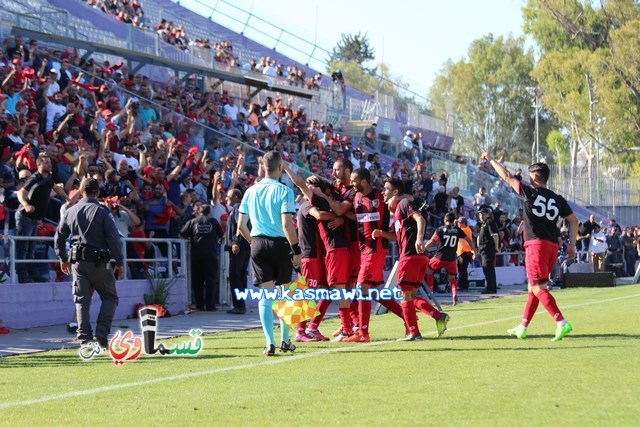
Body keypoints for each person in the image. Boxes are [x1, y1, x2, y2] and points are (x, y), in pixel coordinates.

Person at [483, 152, 577, 341]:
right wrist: (572, 245)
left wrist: (491, 159)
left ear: (534, 177)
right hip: (551, 246)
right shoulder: (558, 199)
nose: (527, 178)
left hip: (536, 245)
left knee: (538, 287)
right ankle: (522, 327)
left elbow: (507, 176)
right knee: (532, 287)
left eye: (529, 175)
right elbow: (573, 221)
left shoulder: (530, 192)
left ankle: (561, 322)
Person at [237, 151, 301, 356]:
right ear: (280, 167)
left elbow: (241, 227)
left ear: (264, 167)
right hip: (281, 244)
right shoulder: (284, 191)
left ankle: (269, 343)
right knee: (284, 295)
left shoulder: (250, 191)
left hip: (257, 243)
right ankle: (284, 340)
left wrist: (254, 243)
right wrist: (296, 249)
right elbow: (286, 224)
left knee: (265, 295)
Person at [373, 178, 450, 341]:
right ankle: (438, 317)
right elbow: (395, 236)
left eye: (386, 189)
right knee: (412, 296)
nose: (383, 192)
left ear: (395, 192)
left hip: (410, 256)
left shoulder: (403, 204)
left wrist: (419, 238)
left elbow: (420, 219)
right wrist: (381, 233)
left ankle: (413, 333)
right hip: (418, 258)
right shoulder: (397, 212)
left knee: (405, 295)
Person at [54, 178, 124, 348]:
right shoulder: (102, 211)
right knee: (110, 297)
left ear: (81, 191)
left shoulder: (71, 211)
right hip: (99, 261)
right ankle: (101, 334)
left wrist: (63, 258)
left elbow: (59, 236)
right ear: (97, 193)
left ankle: (84, 336)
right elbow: (113, 238)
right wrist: (119, 261)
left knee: (81, 300)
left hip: (78, 261)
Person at [342, 168, 407, 343]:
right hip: (363, 250)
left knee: (362, 288)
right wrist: (341, 217)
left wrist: (400, 198)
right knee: (374, 293)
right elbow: (359, 218)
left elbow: (406, 200)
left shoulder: (381, 196)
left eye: (354, 181)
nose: (352, 184)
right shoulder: (356, 197)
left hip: (376, 249)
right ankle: (408, 319)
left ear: (363, 181)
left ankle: (363, 333)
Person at [16, 155, 70, 283]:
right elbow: (21, 193)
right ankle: (22, 275)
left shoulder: (49, 178)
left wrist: (67, 199)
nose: (49, 164)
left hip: (34, 218)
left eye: (50, 162)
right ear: (39, 165)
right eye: (46, 162)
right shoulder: (34, 178)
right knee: (23, 247)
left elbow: (56, 188)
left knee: (31, 248)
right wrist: (26, 205)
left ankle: (31, 273)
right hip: (25, 216)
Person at [180, 201, 223, 311]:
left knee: (197, 281)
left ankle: (199, 304)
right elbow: (221, 235)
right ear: (209, 212)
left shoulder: (193, 221)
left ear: (199, 211)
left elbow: (182, 233)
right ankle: (210, 305)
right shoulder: (213, 221)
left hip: (196, 256)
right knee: (210, 281)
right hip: (211, 255)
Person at [425, 211, 473, 305]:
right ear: (453, 220)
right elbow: (468, 240)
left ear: (445, 220)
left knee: (428, 270)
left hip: (439, 256)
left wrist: (423, 249)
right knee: (452, 278)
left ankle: (430, 292)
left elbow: (432, 241)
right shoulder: (457, 230)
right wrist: (473, 249)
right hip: (451, 258)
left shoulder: (440, 229)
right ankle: (454, 294)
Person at [226, 188, 250, 314]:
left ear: (236, 197)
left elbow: (239, 225)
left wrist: (235, 242)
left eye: (229, 196)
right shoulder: (243, 207)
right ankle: (241, 304)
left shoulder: (237, 206)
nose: (226, 199)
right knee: (241, 275)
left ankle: (239, 305)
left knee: (235, 275)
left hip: (239, 246)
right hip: (245, 245)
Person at [477, 207, 499, 294]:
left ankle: (491, 288)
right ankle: (490, 286)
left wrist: (496, 247)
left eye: (483, 214)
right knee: (486, 268)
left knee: (488, 268)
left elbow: (495, 235)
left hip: (488, 249)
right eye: (480, 214)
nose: (481, 216)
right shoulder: (484, 223)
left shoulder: (489, 222)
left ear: (487, 214)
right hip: (484, 249)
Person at [456, 216, 475, 291]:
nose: (458, 224)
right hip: (463, 252)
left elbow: (457, 231)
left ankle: (463, 286)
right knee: (462, 270)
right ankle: (463, 285)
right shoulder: (467, 229)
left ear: (464, 223)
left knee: (462, 270)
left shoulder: (465, 229)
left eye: (459, 223)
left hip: (465, 252)